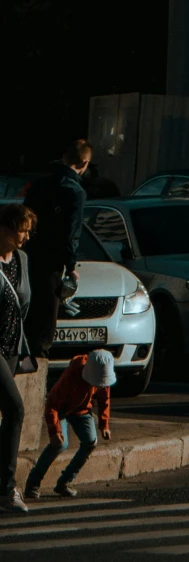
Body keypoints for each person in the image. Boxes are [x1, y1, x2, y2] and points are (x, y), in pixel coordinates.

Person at [22, 141, 91, 359]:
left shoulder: (40, 185)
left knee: (29, 309)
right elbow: (71, 233)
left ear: (64, 158)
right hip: (52, 259)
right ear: (85, 163)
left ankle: (23, 355)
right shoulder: (75, 192)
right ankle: (37, 360)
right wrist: (70, 266)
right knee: (46, 315)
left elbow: (25, 217)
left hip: (29, 254)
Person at [23, 347, 113, 501]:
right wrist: (55, 430)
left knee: (90, 441)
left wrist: (104, 424)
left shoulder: (102, 375)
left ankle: (65, 481)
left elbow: (105, 399)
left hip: (83, 411)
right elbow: (52, 403)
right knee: (59, 444)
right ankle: (33, 482)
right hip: (62, 410)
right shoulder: (72, 375)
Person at [0, 203, 36, 515]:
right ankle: (7, 488)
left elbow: (25, 302)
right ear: (5, 229)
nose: (25, 237)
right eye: (21, 231)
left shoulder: (22, 260)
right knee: (15, 408)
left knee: (5, 415)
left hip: (11, 346)